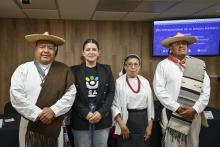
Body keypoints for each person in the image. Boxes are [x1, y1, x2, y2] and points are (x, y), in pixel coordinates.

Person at [10, 32, 77, 147]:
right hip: (29, 125)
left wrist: (53, 111)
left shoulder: (64, 70)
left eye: (50, 48)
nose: (46, 50)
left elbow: (70, 95)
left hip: (54, 123)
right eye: (42, 47)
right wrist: (38, 113)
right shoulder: (23, 69)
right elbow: (16, 96)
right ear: (35, 49)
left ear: (55, 51)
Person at [153, 32, 210, 147]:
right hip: (172, 112)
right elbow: (159, 90)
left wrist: (195, 109)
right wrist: (177, 107)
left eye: (184, 43)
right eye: (177, 43)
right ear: (170, 47)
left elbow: (206, 91)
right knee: (171, 144)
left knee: (192, 144)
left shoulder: (198, 65)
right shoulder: (163, 65)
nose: (181, 46)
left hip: (193, 114)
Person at [70, 39, 115, 147]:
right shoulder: (73, 70)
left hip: (102, 115)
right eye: (88, 49)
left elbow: (111, 92)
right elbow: (71, 95)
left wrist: (101, 112)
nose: (91, 52)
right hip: (80, 116)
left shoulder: (106, 69)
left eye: (94, 49)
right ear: (83, 52)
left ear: (99, 52)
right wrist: (85, 112)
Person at [111, 54, 154, 147]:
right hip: (126, 121)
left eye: (136, 64)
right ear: (125, 66)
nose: (133, 67)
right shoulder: (118, 82)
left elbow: (150, 106)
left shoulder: (145, 81)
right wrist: (122, 126)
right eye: (130, 64)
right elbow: (114, 106)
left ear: (139, 66)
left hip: (143, 120)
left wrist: (149, 126)